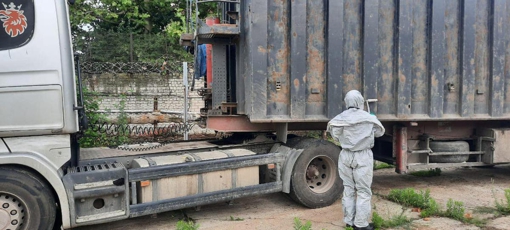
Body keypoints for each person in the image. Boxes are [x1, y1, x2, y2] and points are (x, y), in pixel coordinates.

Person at [327, 90, 385, 230]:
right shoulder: (368, 118)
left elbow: (335, 135)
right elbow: (379, 132)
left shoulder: (339, 119)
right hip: (362, 156)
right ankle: (361, 224)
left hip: (345, 155)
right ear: (360, 101)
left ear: (347, 101)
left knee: (348, 190)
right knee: (363, 191)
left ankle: (349, 220)